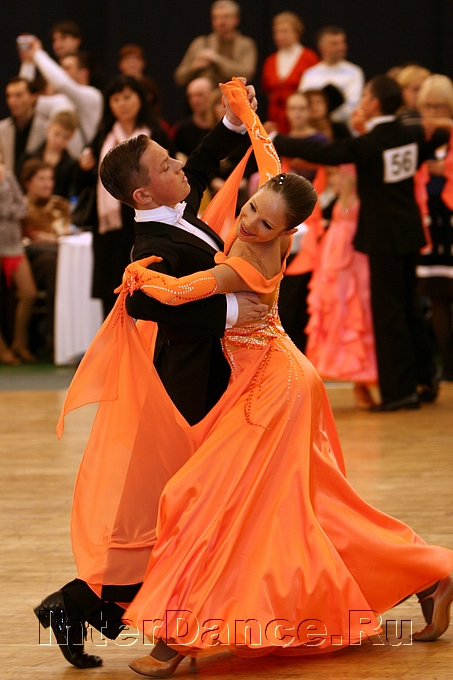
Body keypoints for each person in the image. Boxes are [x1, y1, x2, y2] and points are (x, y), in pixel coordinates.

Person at [90, 80, 453, 675]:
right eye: (252, 208)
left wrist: (138, 279)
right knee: (306, 507)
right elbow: (270, 165)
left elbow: (183, 292)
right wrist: (246, 119)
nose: (250, 218)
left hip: (272, 389)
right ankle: (429, 573)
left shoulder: (247, 260)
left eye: (262, 218)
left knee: (205, 497)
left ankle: (179, 637)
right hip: (268, 377)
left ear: (284, 228)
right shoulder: (275, 211)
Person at [33, 79, 266, 670]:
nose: (179, 166)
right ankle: (95, 605)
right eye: (166, 165)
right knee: (184, 507)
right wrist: (230, 311)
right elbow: (141, 302)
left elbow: (202, 161)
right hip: (188, 388)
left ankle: (85, 605)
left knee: (193, 506)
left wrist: (234, 121)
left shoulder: (174, 207)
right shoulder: (150, 243)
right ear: (142, 193)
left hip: (206, 376)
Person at [271, 75, 447, 411]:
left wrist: (278, 139)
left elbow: (325, 152)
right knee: (411, 308)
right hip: (409, 232)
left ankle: (400, 392)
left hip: (383, 237)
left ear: (376, 104)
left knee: (389, 315)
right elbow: (439, 135)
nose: (362, 101)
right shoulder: (409, 134)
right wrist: (430, 123)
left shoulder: (372, 143)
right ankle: (425, 380)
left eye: (366, 96)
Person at [305, 165, 378, 407]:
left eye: (337, 175)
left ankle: (362, 378)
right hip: (334, 259)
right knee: (337, 311)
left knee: (356, 311)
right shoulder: (337, 199)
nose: (333, 179)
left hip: (352, 259)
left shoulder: (355, 199)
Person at [416, 74, 453, 381]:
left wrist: (446, 169)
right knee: (436, 296)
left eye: (438, 106)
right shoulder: (421, 138)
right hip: (430, 224)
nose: (432, 112)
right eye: (427, 106)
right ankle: (448, 369)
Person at [20, 36, 103, 158]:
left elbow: (63, 84)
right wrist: (28, 63)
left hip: (78, 167)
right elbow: (25, 99)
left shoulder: (92, 96)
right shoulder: (60, 101)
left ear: (83, 73)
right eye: (60, 68)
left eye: (67, 68)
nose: (61, 73)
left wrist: (37, 53)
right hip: (53, 166)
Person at [21, 158, 71, 357]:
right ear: (28, 183)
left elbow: (66, 232)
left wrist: (50, 238)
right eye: (41, 179)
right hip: (29, 260)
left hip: (59, 256)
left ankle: (62, 339)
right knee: (52, 265)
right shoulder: (20, 207)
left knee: (60, 266)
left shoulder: (60, 204)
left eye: (50, 179)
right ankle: (52, 340)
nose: (47, 184)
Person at [0, 152, 37, 364]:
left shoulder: (9, 176)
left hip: (13, 244)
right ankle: (2, 348)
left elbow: (22, 208)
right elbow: (14, 208)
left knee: (29, 292)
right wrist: (10, 210)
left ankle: (19, 342)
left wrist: (7, 211)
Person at [174, 0, 257, 87]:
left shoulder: (246, 44)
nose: (221, 22)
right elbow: (179, 77)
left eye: (226, 17)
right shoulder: (201, 42)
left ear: (236, 19)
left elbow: (246, 74)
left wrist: (217, 59)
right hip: (205, 93)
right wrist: (194, 66)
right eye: (216, 17)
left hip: (233, 91)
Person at [261, 11, 319, 133]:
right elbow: (267, 90)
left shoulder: (309, 58)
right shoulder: (270, 60)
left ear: (296, 32)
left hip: (299, 120)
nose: (280, 36)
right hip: (275, 120)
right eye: (277, 32)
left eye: (284, 31)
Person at [298, 25, 364, 128]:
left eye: (342, 42)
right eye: (334, 43)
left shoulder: (354, 72)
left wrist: (327, 121)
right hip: (312, 129)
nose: (341, 47)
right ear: (322, 47)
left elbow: (352, 104)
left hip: (342, 130)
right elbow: (301, 102)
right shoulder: (310, 74)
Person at [19, 109, 78, 199]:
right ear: (48, 129)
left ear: (71, 137)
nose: (59, 140)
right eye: (57, 134)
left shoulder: (71, 165)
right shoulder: (28, 158)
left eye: (66, 137)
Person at [171, 77, 215, 160]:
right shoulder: (182, 129)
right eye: (190, 96)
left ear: (213, 94)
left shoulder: (224, 124)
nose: (194, 101)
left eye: (200, 95)